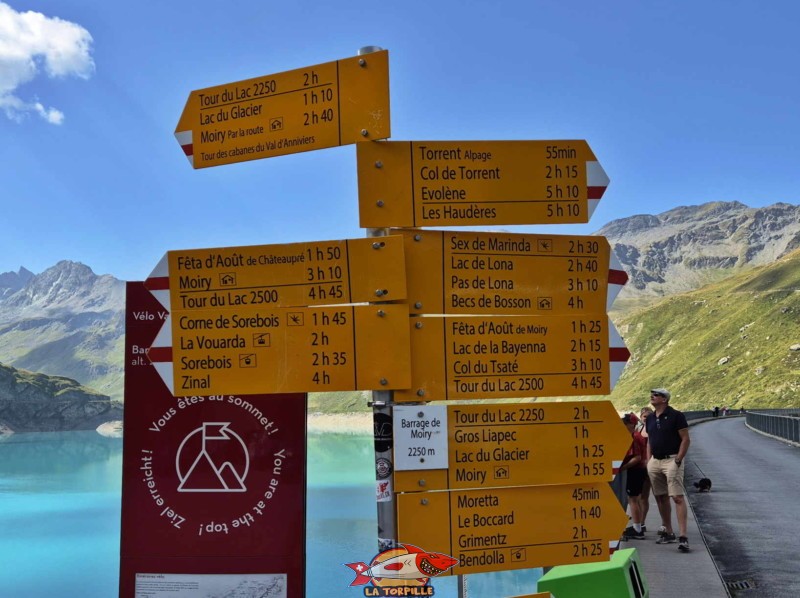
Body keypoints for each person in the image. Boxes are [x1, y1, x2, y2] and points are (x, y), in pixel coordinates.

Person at [645, 388, 691, 552]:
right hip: (655, 461)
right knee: (660, 497)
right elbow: (650, 440)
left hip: (672, 459)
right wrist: (649, 460)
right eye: (652, 394)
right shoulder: (649, 418)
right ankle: (669, 531)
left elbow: (685, 438)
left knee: (677, 497)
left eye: (656, 395)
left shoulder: (676, 416)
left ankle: (683, 536)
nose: (653, 396)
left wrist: (678, 459)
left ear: (664, 399)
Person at [621, 413, 648, 540]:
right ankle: (638, 525)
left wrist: (623, 467)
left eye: (625, 424)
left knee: (632, 499)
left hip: (636, 470)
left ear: (631, 424)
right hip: (639, 470)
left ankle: (637, 529)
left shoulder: (635, 437)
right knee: (636, 499)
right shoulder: (636, 436)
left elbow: (637, 458)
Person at [638, 406, 654, 528]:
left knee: (646, 496)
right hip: (639, 466)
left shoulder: (655, 430)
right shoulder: (638, 430)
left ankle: (642, 522)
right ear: (640, 417)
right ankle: (640, 522)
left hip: (651, 465)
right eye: (644, 417)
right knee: (639, 497)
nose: (646, 419)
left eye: (649, 417)